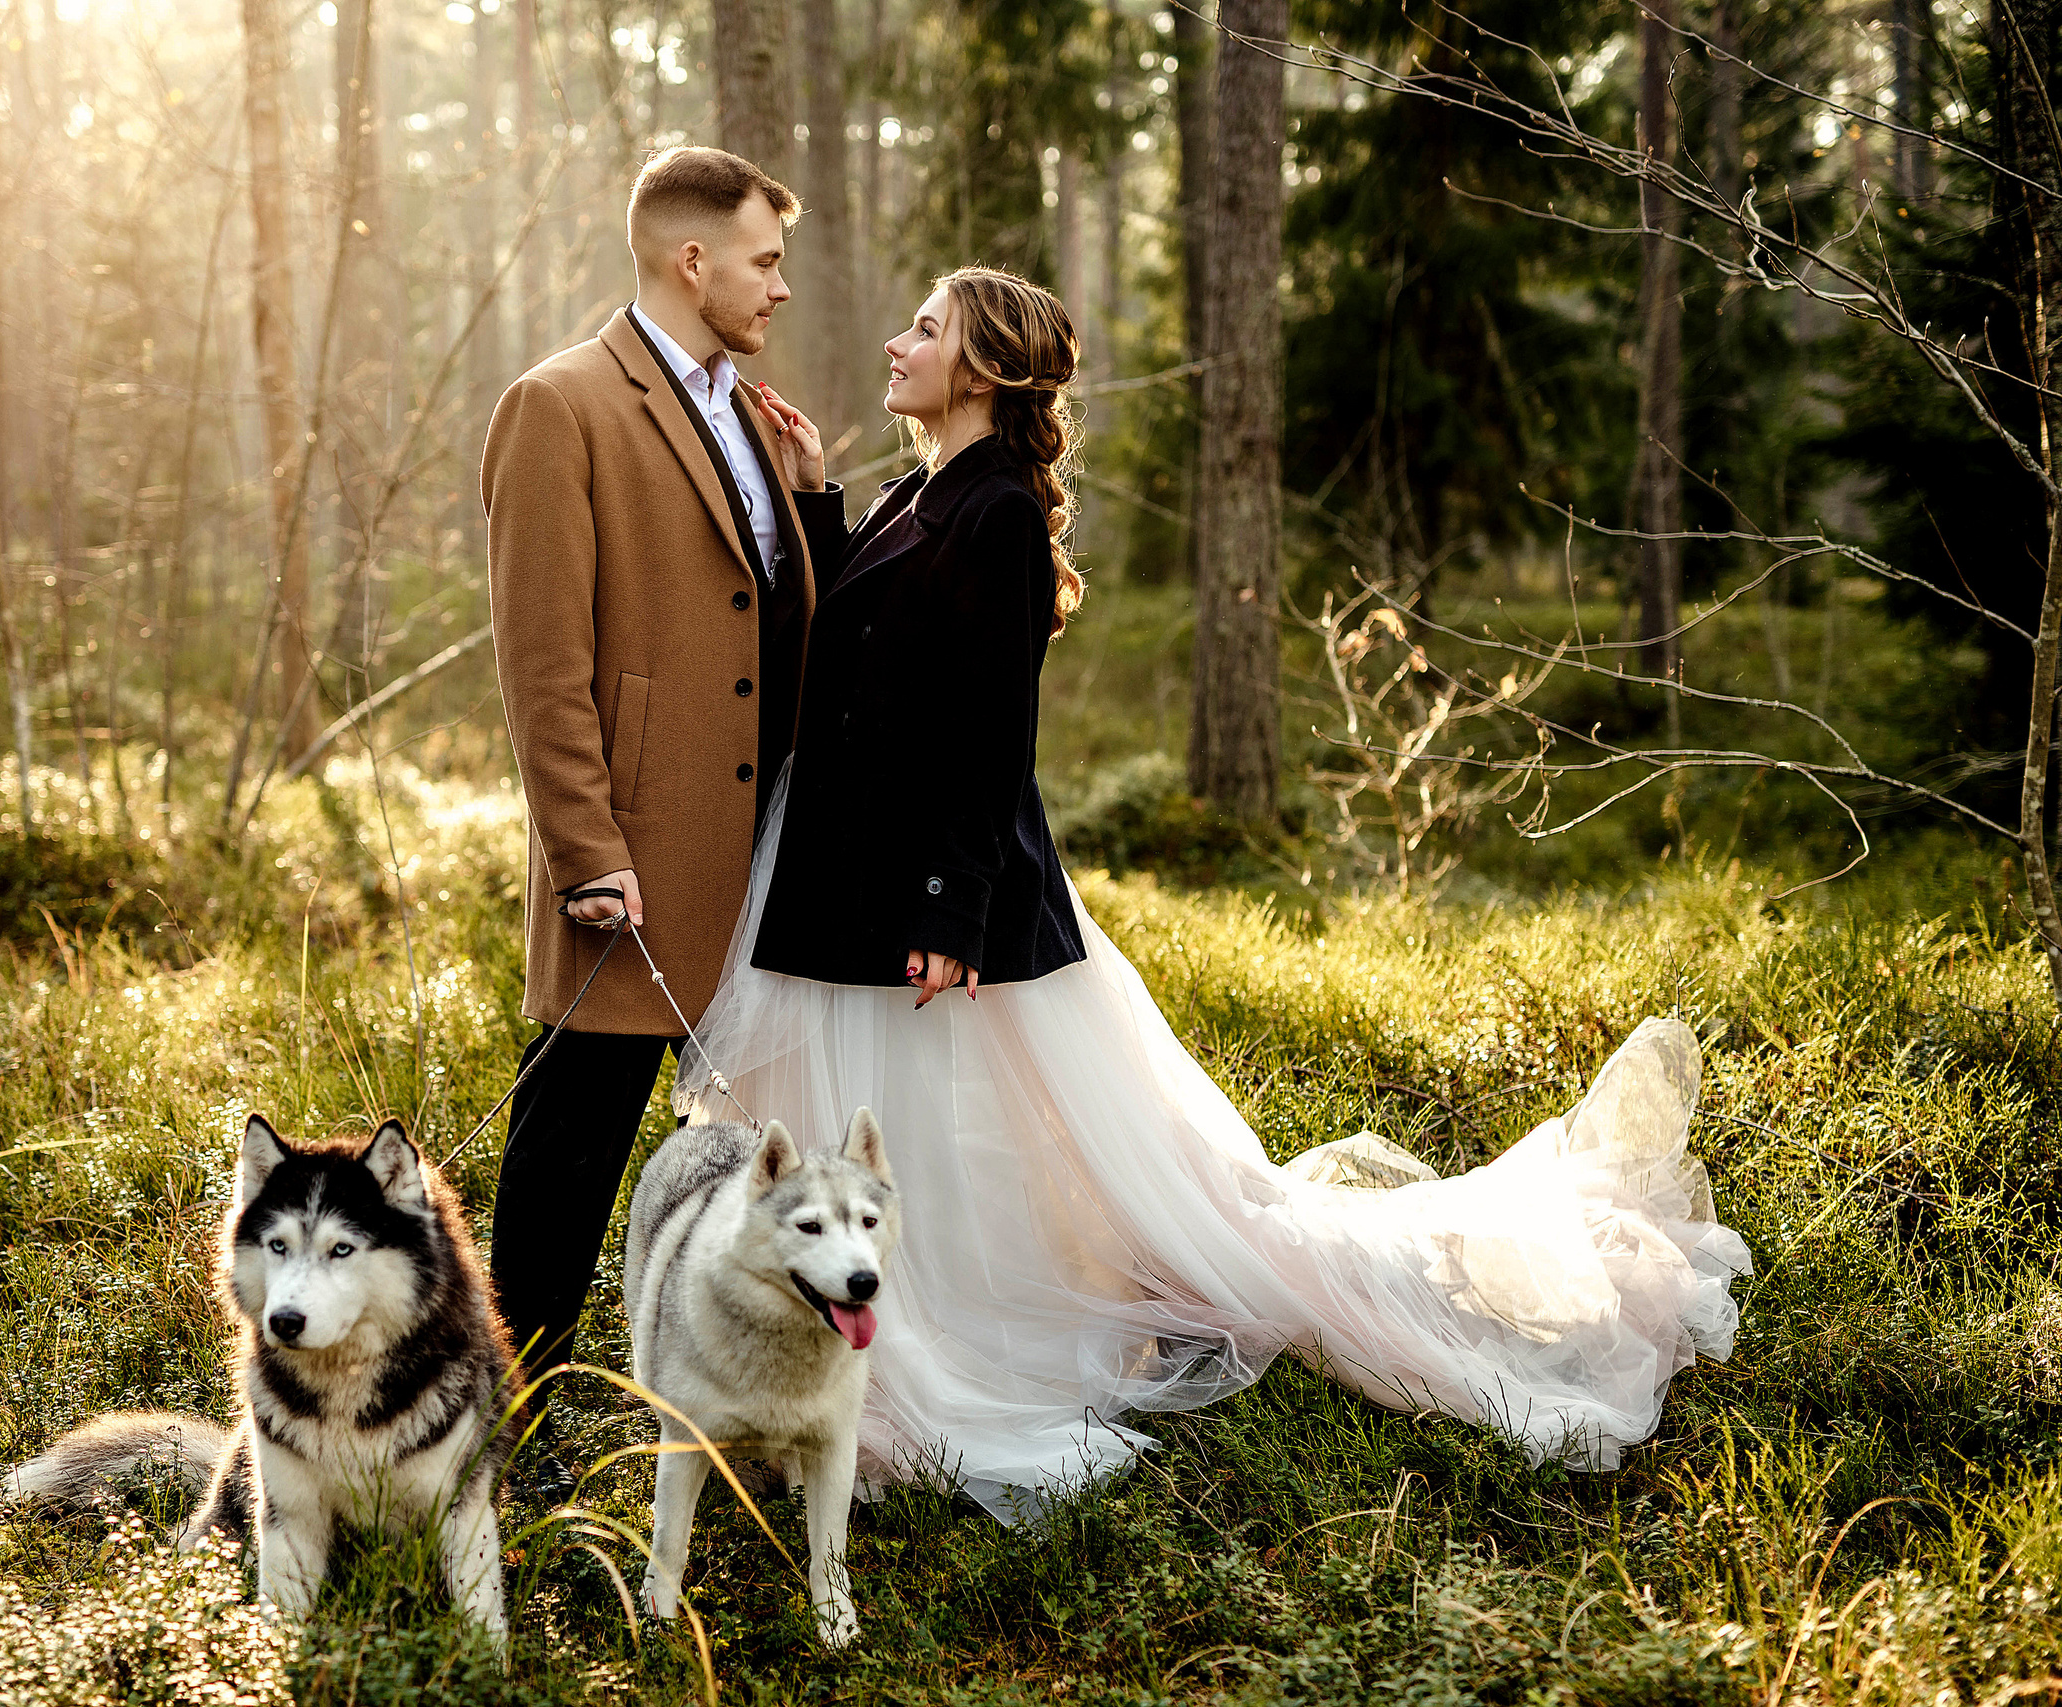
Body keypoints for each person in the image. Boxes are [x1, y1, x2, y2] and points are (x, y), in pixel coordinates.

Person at [694, 266, 1754, 1520]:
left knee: (934, 1138)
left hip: (921, 892)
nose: (894, 340)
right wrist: (816, 493)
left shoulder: (996, 516)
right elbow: (853, 643)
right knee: (903, 1135)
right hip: (849, 874)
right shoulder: (925, 487)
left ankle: (915, 1352)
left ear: (980, 366)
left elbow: (990, 737)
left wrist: (946, 910)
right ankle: (849, 1335)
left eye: (924, 328)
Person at [479, 147, 819, 1457]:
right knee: (569, 1146)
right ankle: (513, 1413)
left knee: (755, 1157)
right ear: (695, 262)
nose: (778, 288)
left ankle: (736, 1399)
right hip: (632, 856)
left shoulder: (748, 410)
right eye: (763, 262)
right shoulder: (558, 404)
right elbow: (544, 664)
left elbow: (766, 610)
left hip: (760, 858)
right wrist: (586, 852)